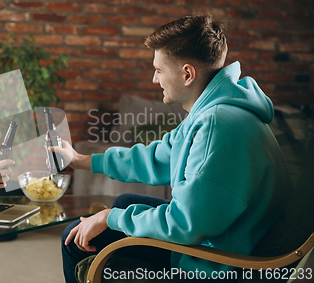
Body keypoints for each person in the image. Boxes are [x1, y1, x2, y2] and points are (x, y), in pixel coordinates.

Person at [52, 15, 292, 282]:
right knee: (125, 202)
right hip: (218, 239)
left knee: (72, 240)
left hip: (218, 265)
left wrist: (110, 218)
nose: (154, 79)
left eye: (158, 70)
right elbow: (156, 158)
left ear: (187, 73)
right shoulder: (213, 112)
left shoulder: (217, 125)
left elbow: (184, 224)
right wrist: (79, 159)